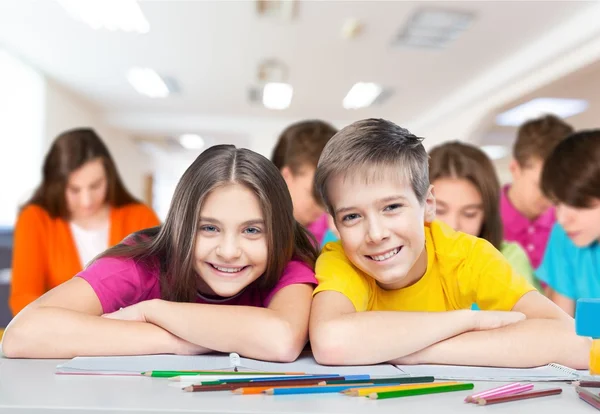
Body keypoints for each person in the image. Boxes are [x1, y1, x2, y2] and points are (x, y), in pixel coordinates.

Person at [309, 118, 589, 369]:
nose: (376, 233)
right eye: (352, 216)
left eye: (392, 207)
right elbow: (330, 341)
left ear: (428, 205)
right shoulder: (340, 260)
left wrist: (419, 350)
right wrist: (467, 322)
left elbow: (574, 341)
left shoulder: (466, 255)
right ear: (335, 223)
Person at [2, 145, 319, 360]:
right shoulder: (142, 264)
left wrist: (151, 312)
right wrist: (181, 341)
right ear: (181, 225)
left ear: (277, 233)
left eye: (252, 230)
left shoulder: (286, 261)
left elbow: (282, 339)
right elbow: (22, 335)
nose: (229, 251)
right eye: (208, 228)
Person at [9, 128, 160, 315]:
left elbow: (163, 289)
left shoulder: (140, 216)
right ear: (56, 186)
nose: (86, 201)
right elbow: (24, 298)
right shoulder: (35, 218)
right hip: (57, 337)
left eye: (95, 186)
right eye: (74, 189)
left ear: (109, 178)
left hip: (128, 336)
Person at [429, 142, 540, 291]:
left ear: (486, 216)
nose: (453, 225)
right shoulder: (402, 263)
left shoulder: (509, 259)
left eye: (469, 214)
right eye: (439, 210)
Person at [537, 130, 600, 316]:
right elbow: (561, 329)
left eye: (577, 204)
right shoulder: (564, 237)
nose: (562, 218)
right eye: (557, 203)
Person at [500, 115, 573, 271]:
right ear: (515, 169)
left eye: (557, 186)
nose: (551, 197)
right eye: (541, 185)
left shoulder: (570, 225)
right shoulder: (480, 220)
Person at [271, 120, 338, 245]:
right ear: (286, 177)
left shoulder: (327, 226)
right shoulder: (257, 230)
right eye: (315, 194)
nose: (323, 207)